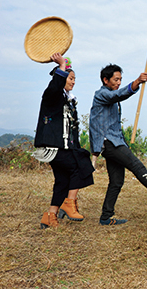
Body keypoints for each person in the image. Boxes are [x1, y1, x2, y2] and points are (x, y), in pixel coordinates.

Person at [89, 64, 147, 225]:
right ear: (105, 80)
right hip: (109, 143)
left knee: (116, 181)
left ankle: (105, 217)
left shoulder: (110, 95)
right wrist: (136, 82)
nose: (118, 82)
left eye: (120, 79)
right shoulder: (102, 94)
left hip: (114, 142)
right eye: (116, 79)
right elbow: (120, 94)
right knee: (137, 166)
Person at [34, 54, 95, 229]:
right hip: (53, 146)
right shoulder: (52, 95)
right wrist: (61, 65)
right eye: (70, 78)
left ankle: (50, 216)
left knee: (62, 180)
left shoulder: (69, 100)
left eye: (75, 78)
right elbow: (55, 86)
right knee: (81, 165)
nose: (73, 81)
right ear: (61, 78)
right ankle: (69, 202)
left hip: (65, 146)